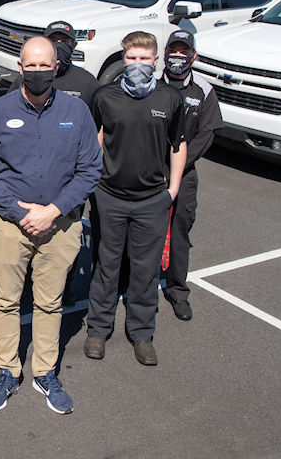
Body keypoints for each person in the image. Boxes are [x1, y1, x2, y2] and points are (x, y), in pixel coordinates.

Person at [0, 37, 102, 414]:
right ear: (20, 66)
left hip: (61, 225)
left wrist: (54, 210)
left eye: (45, 66)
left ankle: (44, 372)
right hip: (12, 225)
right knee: (7, 300)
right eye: (31, 65)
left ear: (56, 67)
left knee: (49, 302)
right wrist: (19, 212)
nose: (38, 72)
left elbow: (89, 169)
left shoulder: (77, 112)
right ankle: (7, 371)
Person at [85, 32, 187, 367]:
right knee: (106, 267)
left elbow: (178, 145)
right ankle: (98, 330)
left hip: (151, 201)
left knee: (144, 272)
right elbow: (95, 141)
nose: (138, 65)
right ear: (123, 59)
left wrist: (171, 190)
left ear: (156, 61)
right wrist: (93, 183)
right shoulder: (105, 96)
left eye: (144, 59)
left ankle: (142, 334)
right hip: (110, 197)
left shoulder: (171, 99)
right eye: (132, 58)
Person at [158, 29, 223, 321]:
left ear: (194, 56)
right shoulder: (152, 83)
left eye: (184, 52)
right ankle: (131, 282)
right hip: (149, 171)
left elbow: (207, 134)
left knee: (180, 229)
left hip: (184, 173)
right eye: (174, 50)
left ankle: (177, 290)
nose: (178, 57)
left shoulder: (203, 91)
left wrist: (178, 166)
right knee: (140, 230)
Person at [6, 21, 98, 105]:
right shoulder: (29, 77)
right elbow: (8, 107)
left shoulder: (87, 81)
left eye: (64, 41)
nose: (58, 45)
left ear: (73, 46)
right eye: (53, 41)